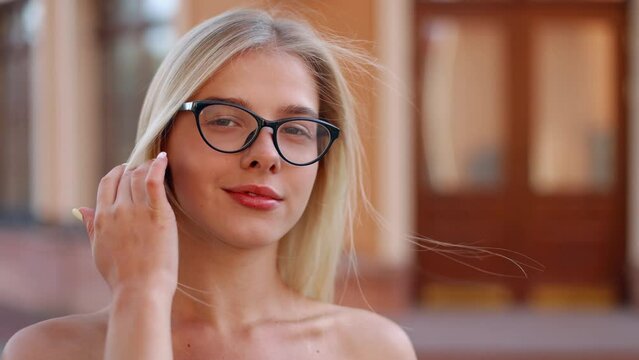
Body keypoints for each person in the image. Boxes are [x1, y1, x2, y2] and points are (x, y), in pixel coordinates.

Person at [2, 7, 417, 360]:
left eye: (296, 129)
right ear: (162, 143)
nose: (268, 155)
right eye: (225, 120)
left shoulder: (369, 349)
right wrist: (139, 295)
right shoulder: (47, 350)